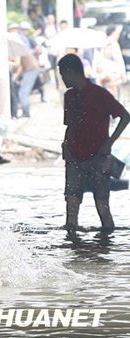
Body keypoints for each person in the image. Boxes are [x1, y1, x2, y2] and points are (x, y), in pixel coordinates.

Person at [58, 54, 130, 230]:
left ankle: (104, 247)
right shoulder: (69, 96)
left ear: (70, 71)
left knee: (102, 207)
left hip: (99, 156)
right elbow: (71, 126)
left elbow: (125, 117)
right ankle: (76, 246)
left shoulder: (100, 94)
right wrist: (65, 144)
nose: (62, 79)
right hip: (74, 156)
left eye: (62, 75)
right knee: (71, 207)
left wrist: (110, 143)